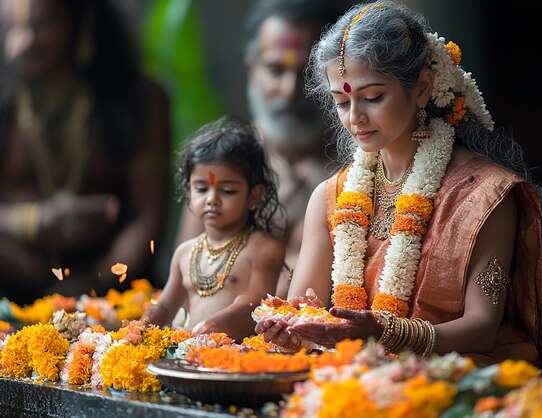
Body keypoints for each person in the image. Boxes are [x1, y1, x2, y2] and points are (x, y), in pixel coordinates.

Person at [256, 1, 542, 367]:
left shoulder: (484, 196)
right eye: (341, 101)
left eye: (372, 97)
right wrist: (290, 330)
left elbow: (482, 327)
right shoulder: (330, 198)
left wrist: (387, 333)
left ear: (422, 89)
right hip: (346, 385)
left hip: (451, 388)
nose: (355, 118)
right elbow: (304, 312)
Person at [0, 0, 171, 304]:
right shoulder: (8, 105)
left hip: (115, 297)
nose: (23, 42)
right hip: (14, 293)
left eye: (41, 25)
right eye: (13, 27)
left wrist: (93, 285)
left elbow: (148, 218)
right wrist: (33, 221)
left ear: (81, 21)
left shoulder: (140, 100)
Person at [176, 0, 348, 298]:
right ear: (251, 68)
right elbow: (185, 286)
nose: (290, 89)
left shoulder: (362, 165)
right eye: (275, 69)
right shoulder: (223, 160)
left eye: (309, 73)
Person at [144, 118, 285, 341]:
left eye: (227, 191)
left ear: (253, 196)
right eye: (201, 189)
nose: (212, 200)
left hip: (239, 358)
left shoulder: (263, 249)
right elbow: (165, 308)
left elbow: (256, 305)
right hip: (189, 352)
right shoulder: (185, 253)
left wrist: (209, 327)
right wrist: (136, 332)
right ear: (188, 191)